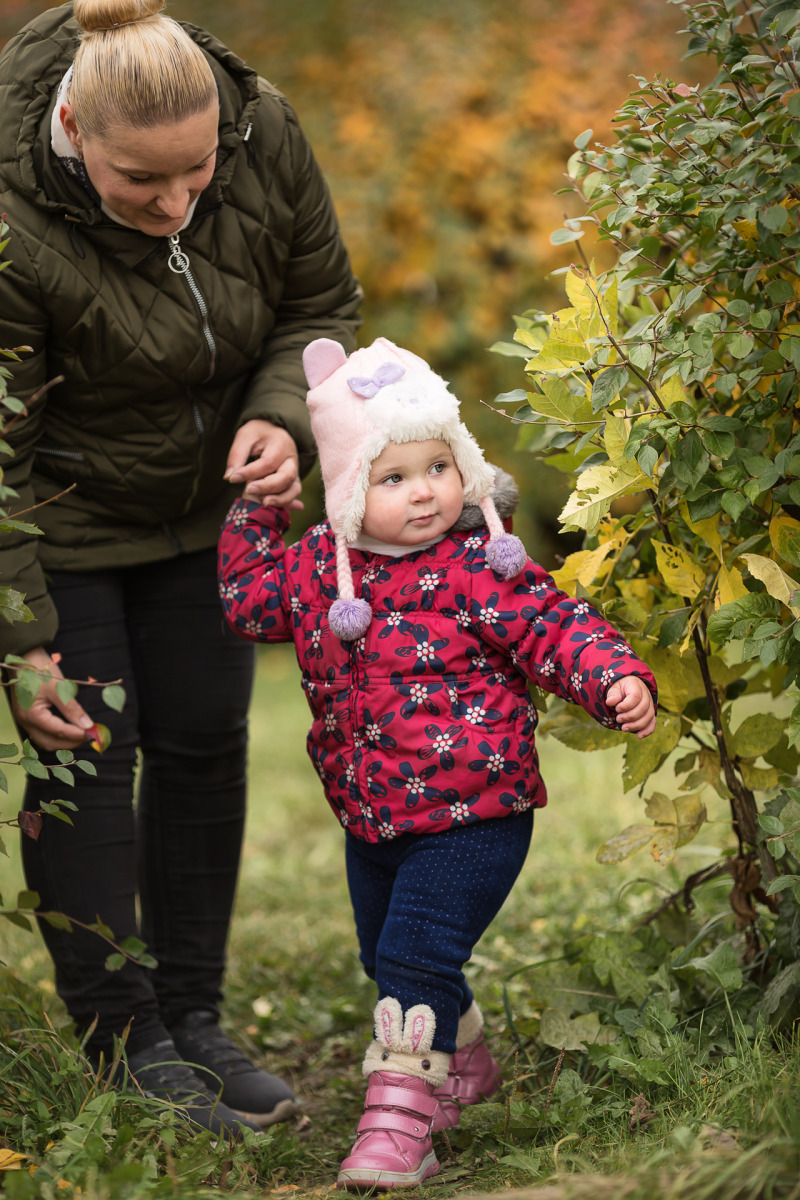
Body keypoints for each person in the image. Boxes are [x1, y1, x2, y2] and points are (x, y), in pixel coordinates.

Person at [0, 0, 361, 1137]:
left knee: (205, 746)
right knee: (86, 759)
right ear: (72, 126)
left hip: (209, 516)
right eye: (139, 182)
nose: (175, 202)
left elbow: (313, 303)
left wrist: (276, 416)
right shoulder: (10, 218)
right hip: (59, 523)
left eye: (194, 172)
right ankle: (125, 1040)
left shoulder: (265, 131)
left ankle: (196, 1021)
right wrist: (22, 637)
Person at [218, 336, 657, 1186]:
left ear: (464, 469)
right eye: (392, 477)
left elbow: (556, 625)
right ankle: (466, 1063)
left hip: (476, 812)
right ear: (349, 490)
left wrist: (613, 677)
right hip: (372, 814)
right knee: (384, 955)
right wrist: (256, 514)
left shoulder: (477, 568)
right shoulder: (318, 570)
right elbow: (247, 604)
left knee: (416, 956)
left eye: (438, 467)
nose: (423, 491)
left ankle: (397, 1122)